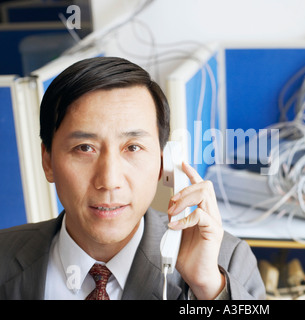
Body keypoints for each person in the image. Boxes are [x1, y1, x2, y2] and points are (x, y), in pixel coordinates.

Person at [0, 56, 265, 300]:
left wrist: (208, 288)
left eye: (133, 147)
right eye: (85, 148)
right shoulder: (4, 256)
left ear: (164, 163)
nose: (109, 180)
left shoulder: (224, 260)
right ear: (48, 162)